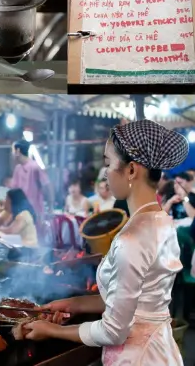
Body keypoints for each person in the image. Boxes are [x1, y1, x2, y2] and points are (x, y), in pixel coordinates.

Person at [17, 119, 189, 366]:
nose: (105, 173)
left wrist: (51, 330)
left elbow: (113, 331)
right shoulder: (160, 220)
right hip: (158, 348)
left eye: (108, 163)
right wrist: (73, 304)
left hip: (137, 358)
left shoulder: (132, 238)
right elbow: (130, 300)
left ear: (131, 170)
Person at [11, 141, 53, 216]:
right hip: (20, 211)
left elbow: (48, 187)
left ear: (17, 151)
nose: (12, 154)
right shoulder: (17, 169)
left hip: (34, 211)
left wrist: (50, 208)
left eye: (13, 151)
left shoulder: (35, 167)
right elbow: (14, 190)